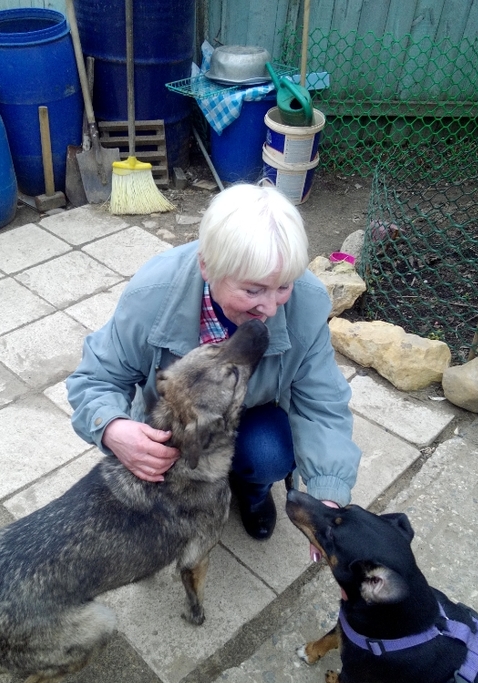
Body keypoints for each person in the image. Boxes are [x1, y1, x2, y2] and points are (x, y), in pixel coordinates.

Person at [67, 183, 361, 541]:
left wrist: (328, 498)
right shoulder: (151, 293)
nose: (270, 308)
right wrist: (112, 428)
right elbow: (96, 378)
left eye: (284, 286)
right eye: (252, 290)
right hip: (177, 424)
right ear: (207, 266)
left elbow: (323, 404)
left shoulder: (308, 303)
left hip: (252, 416)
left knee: (268, 453)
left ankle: (253, 492)